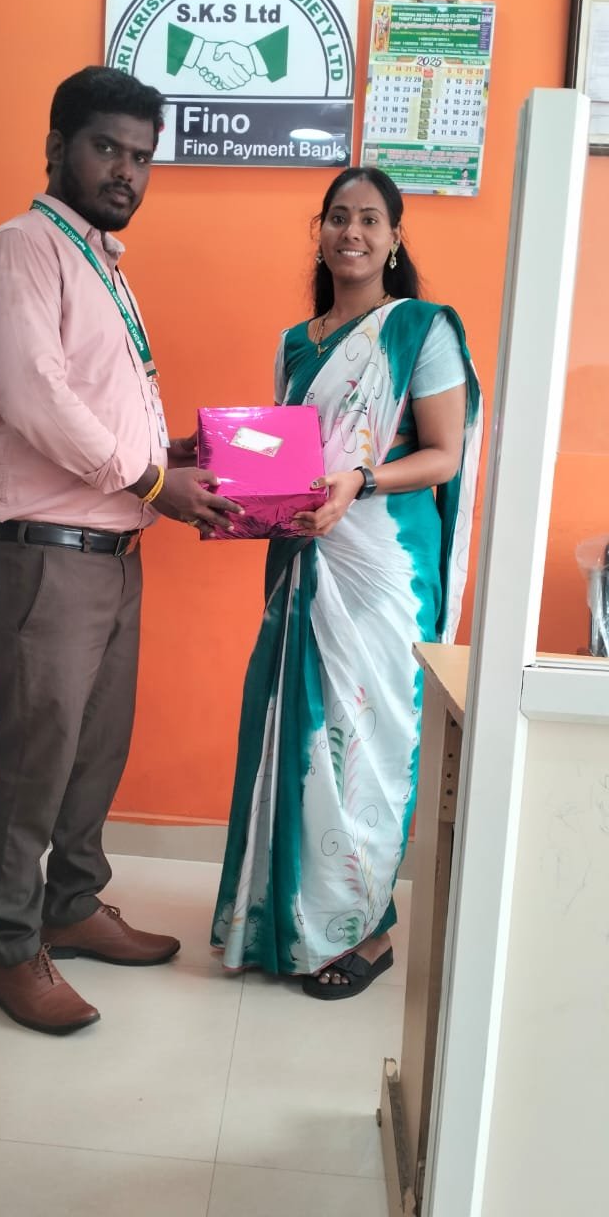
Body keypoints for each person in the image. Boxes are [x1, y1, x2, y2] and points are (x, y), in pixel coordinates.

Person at [0, 66, 241, 1035]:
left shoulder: (102, 262)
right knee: (35, 755)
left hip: (114, 551)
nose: (126, 171)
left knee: (95, 748)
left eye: (142, 157)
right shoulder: (21, 249)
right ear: (58, 147)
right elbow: (37, 398)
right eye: (107, 149)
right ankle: (8, 949)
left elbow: (103, 407)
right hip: (46, 554)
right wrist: (157, 482)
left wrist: (173, 455)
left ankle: (72, 904)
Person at [211, 166, 482, 999]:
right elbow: (289, 455)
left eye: (369, 219)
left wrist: (360, 481)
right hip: (305, 555)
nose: (351, 232)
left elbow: (443, 454)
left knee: (367, 739)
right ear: (320, 232)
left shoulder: (421, 330)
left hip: (383, 563)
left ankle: (369, 929)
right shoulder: (297, 343)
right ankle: (283, 920)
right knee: (295, 730)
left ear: (395, 238)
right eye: (337, 217)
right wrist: (232, 479)